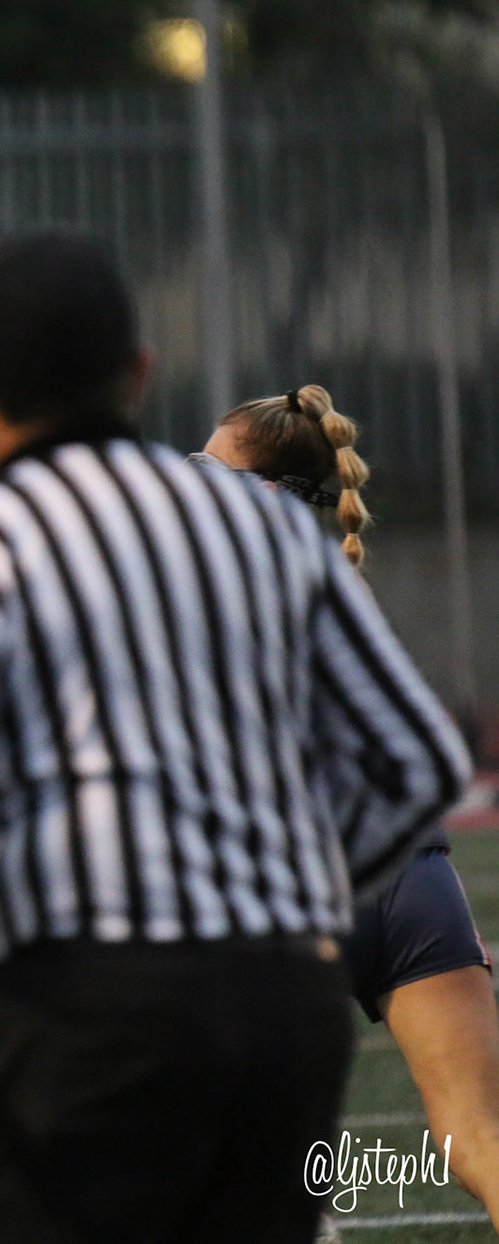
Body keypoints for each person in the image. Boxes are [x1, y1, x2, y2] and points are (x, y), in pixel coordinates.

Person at [0, 230, 471, 1242]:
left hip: (96, 1010)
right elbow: (422, 761)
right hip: (285, 1013)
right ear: (138, 372)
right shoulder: (266, 529)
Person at [199, 386, 499, 1231]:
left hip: (288, 892)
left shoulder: (192, 587)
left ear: (257, 491)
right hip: (410, 880)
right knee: (480, 1138)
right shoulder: (342, 577)